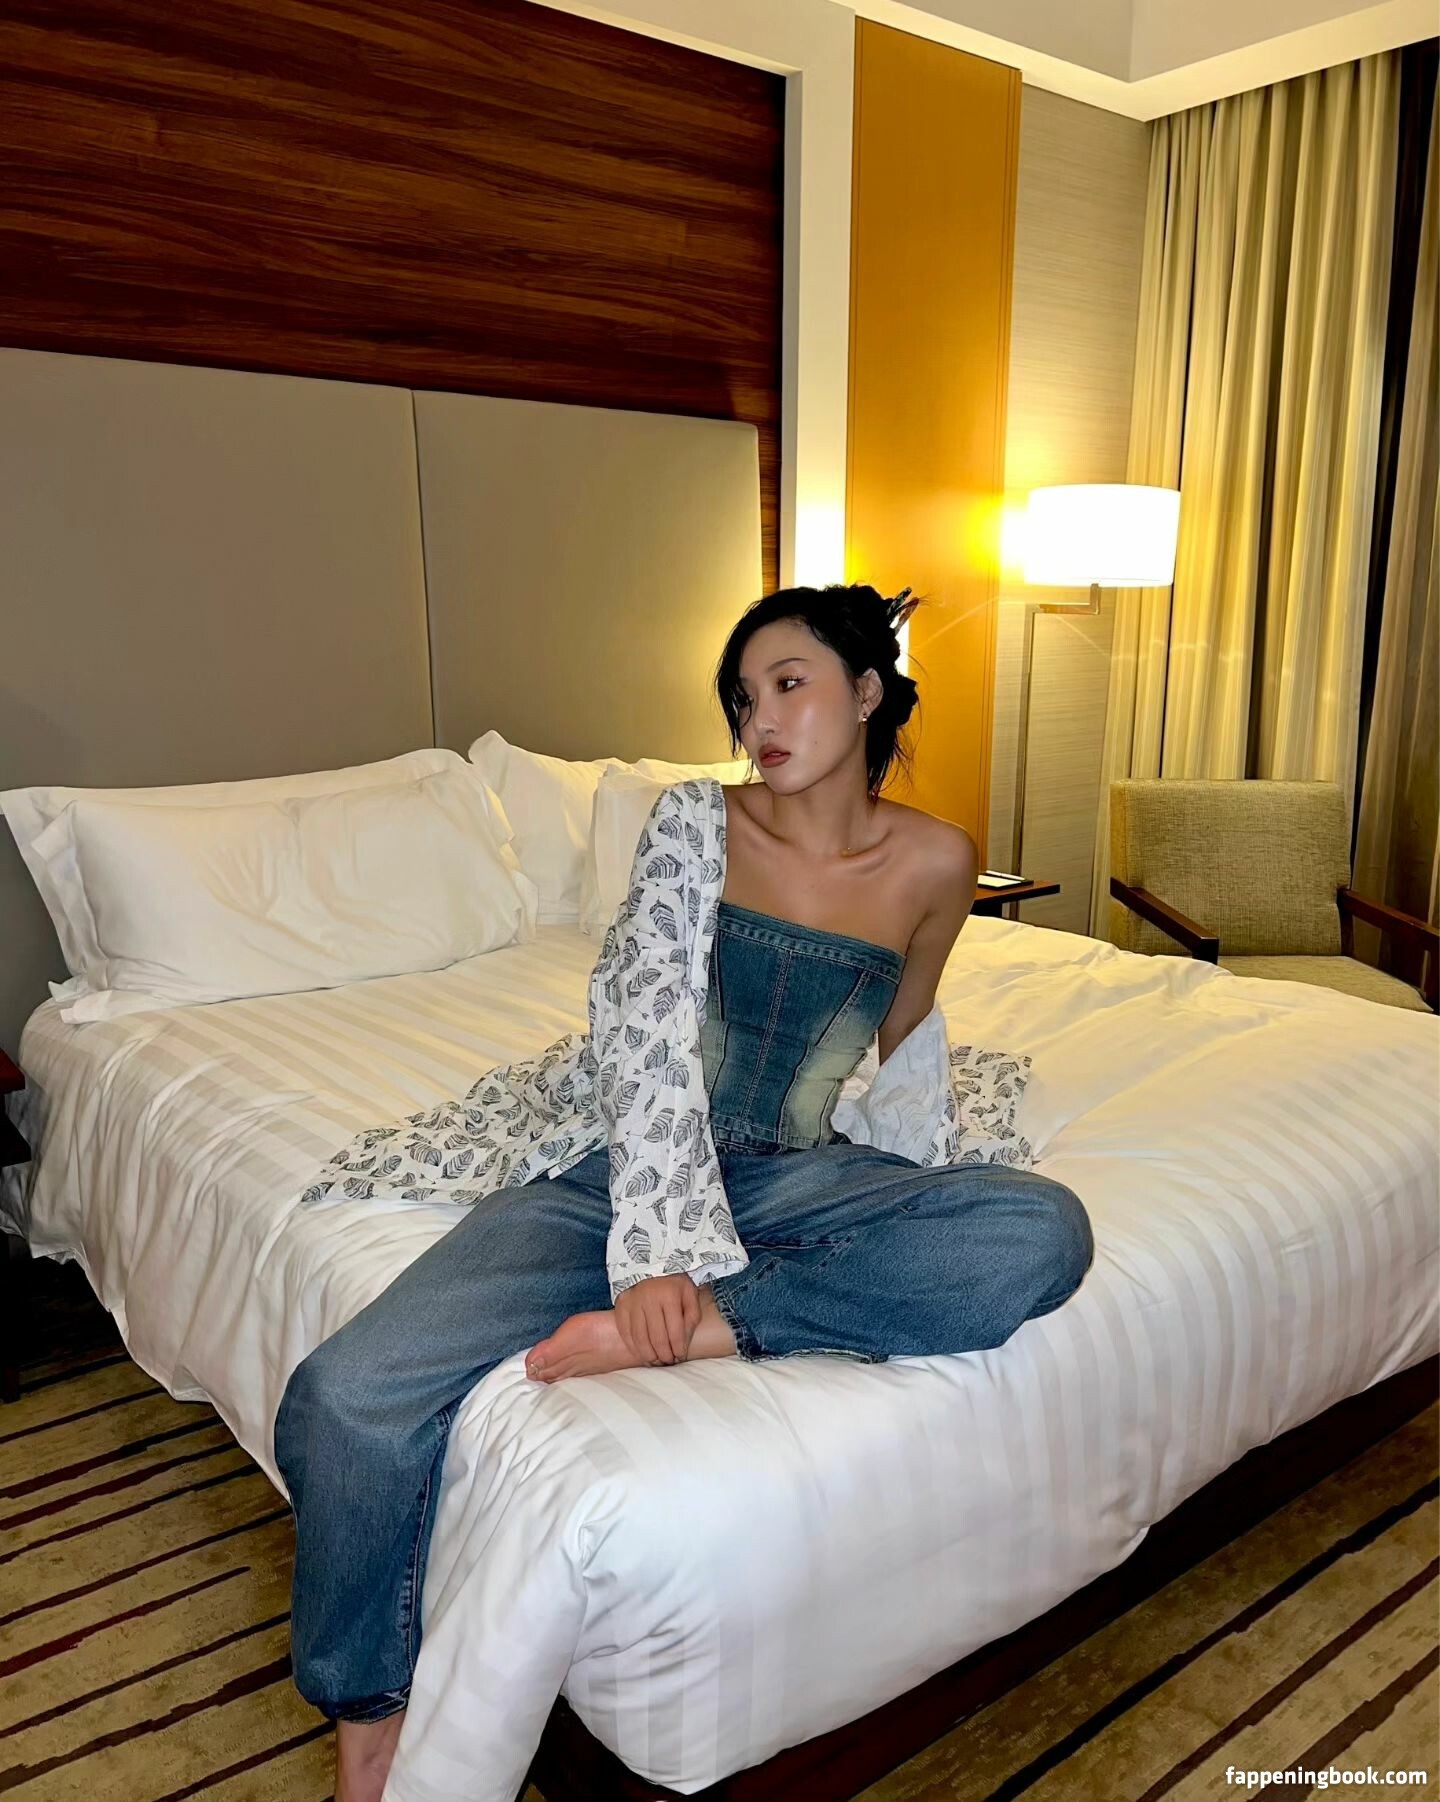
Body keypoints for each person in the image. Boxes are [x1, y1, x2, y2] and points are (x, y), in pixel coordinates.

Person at [272, 582, 1095, 1802]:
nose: (760, 718)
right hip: (629, 1168)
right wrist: (656, 1247)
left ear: (868, 691)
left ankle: (717, 1327)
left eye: (789, 683)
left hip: (801, 1171)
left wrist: (892, 1201)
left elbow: (903, 1046)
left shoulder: (939, 861)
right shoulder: (696, 821)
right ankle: (372, 1728)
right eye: (743, 698)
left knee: (1041, 1228)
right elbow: (644, 1026)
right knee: (347, 1396)